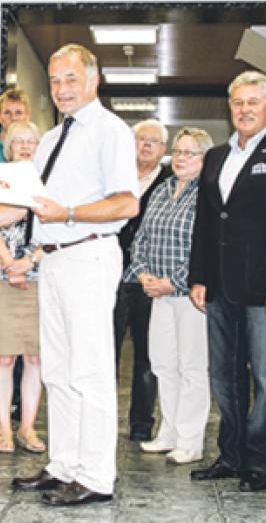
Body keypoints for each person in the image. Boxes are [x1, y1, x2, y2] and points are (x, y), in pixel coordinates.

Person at [0, 43, 139, 506]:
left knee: (92, 371)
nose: (62, 89)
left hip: (90, 255)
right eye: (56, 80)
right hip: (55, 260)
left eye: (71, 79)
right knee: (60, 371)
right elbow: (21, 204)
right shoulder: (48, 139)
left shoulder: (111, 132)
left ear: (93, 80)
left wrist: (68, 213)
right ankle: (64, 465)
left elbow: (127, 202)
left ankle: (97, 477)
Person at [188, 71, 266, 493]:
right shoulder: (217, 156)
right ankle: (231, 454)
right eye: (237, 102)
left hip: (265, 290)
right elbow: (206, 221)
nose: (244, 110)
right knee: (224, 375)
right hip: (219, 286)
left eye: (252, 103)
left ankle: (261, 460)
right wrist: (199, 277)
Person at [125, 127, 212, 465]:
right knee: (162, 363)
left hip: (189, 295)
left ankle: (190, 440)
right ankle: (169, 432)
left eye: (189, 153)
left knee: (192, 366)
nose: (180, 158)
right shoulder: (162, 190)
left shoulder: (206, 195)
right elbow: (141, 237)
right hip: (156, 292)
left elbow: (204, 247)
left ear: (204, 159)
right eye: (177, 151)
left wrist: (173, 282)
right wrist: (145, 275)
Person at [0, 120, 46, 455]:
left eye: (30, 140)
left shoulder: (49, 182)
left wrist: (30, 262)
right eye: (17, 140)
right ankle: (3, 428)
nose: (24, 146)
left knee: (35, 357)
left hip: (40, 277)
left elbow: (58, 228)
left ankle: (28, 428)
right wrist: (9, 264)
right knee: (2, 358)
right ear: (5, 144)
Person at [114, 118, 173, 442]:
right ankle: (102, 416)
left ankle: (141, 422)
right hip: (110, 273)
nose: (146, 145)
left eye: (153, 141)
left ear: (163, 149)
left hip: (147, 278)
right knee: (105, 349)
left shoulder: (169, 181)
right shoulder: (116, 175)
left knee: (146, 354)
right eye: (140, 139)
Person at [0, 87, 31, 161]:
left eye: (18, 113)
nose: (13, 118)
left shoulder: (37, 147)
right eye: (7, 113)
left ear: (28, 116)